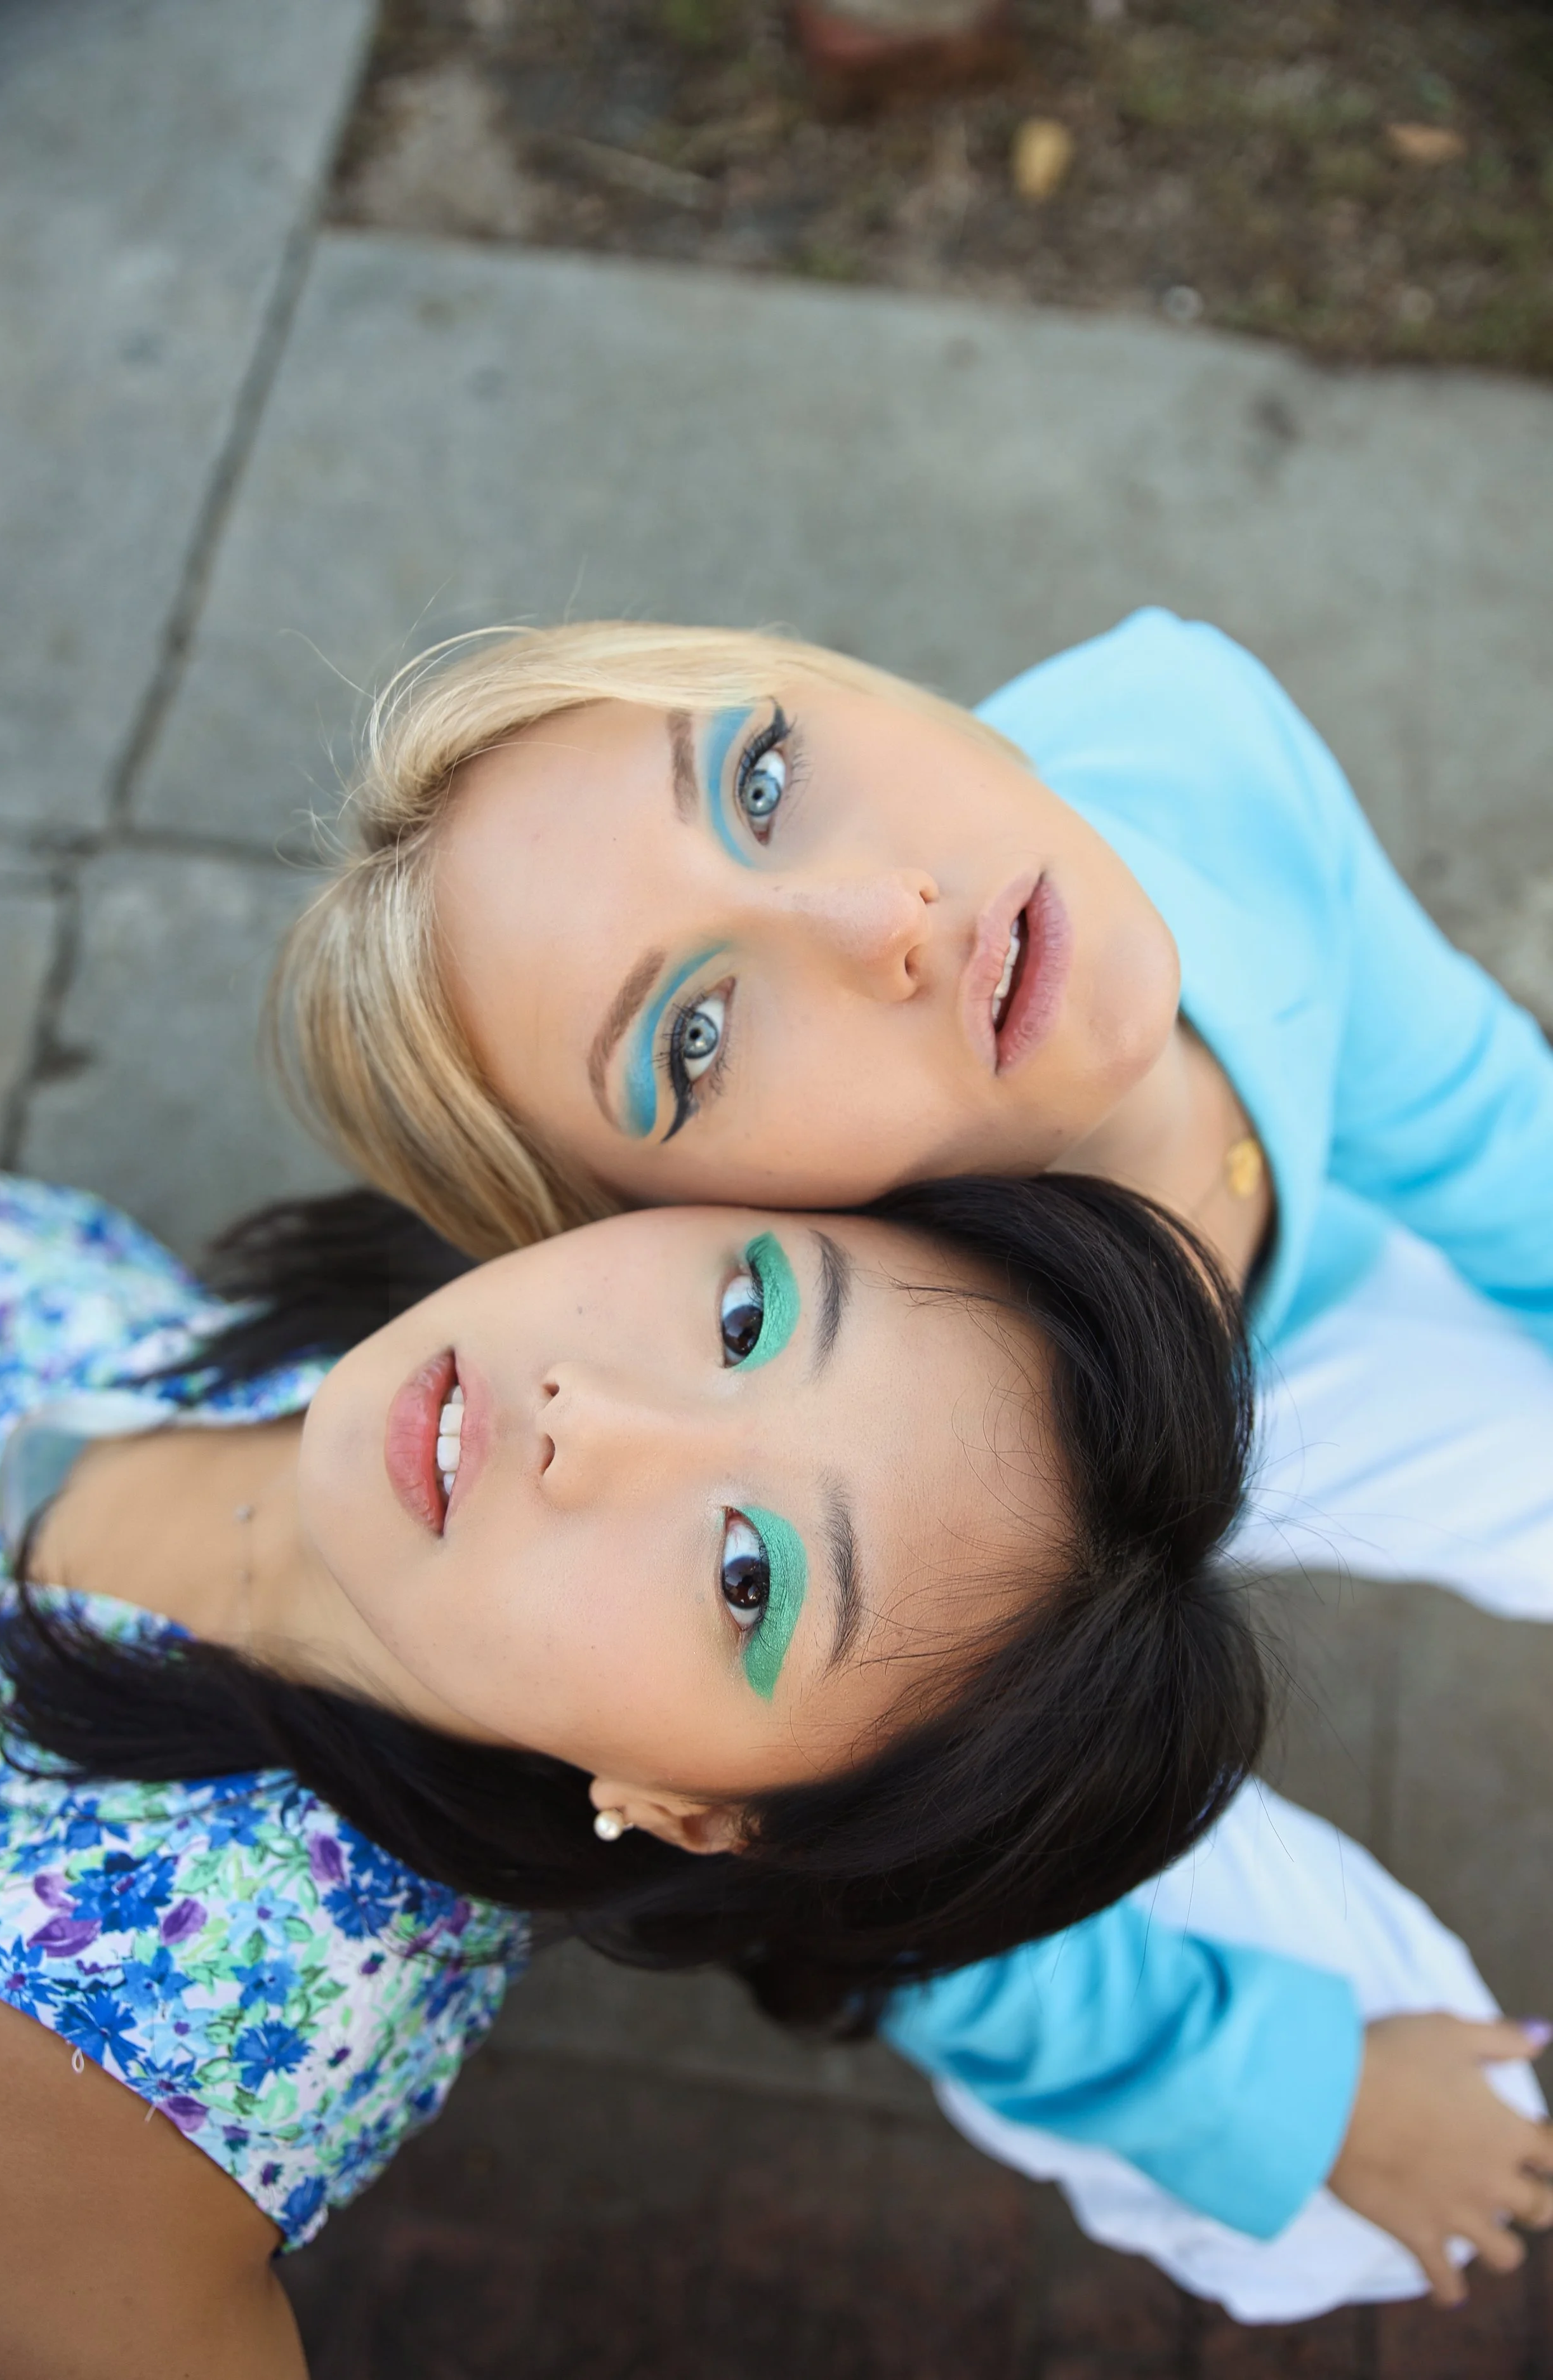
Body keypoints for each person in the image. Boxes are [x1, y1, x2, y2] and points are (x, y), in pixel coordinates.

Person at [272, 605, 1553, 2319]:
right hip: (993, 1699)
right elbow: (920, 1886)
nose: (883, 915)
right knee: (1395, 2157)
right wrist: (1274, 2083)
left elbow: (1473, 1115)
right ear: (671, 1230)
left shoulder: (1183, 746)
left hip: (1300, 1330)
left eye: (762, 772)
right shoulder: (813, 1439)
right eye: (697, 1037)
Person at [0, 1158, 1259, 2373]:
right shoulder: (395, 1321)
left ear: (692, 1813)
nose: (587, 1413)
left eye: (746, 1579)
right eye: (748, 1316)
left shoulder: (160, 2025)